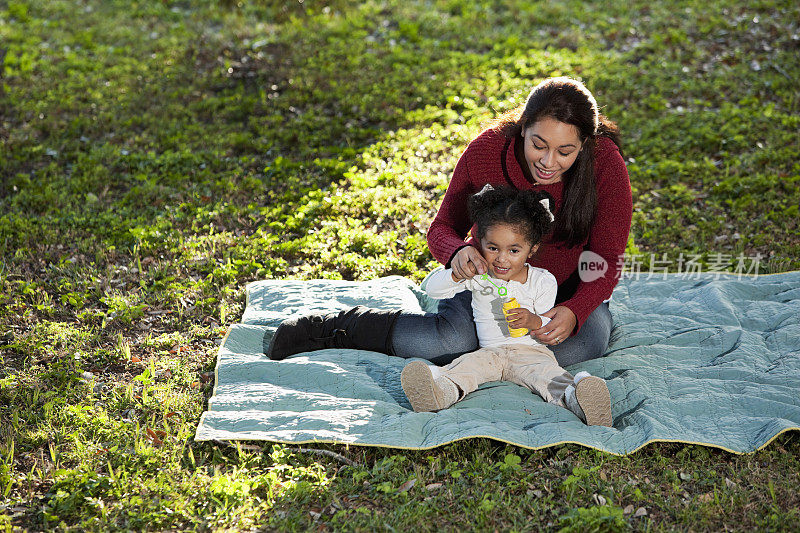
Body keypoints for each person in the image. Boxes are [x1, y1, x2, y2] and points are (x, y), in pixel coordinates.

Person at [267, 77, 632, 368]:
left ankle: (479, 360)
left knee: (574, 351)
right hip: (482, 286)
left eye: (564, 151)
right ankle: (338, 328)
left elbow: (607, 257)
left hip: (563, 294)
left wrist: (576, 309)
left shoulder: (606, 166)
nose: (548, 161)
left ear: (585, 144)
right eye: (538, 144)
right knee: (452, 343)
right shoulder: (486, 151)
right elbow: (442, 227)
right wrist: (458, 252)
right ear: (522, 128)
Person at [400, 185, 612, 426]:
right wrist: (457, 275)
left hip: (531, 353)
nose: (501, 258)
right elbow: (432, 289)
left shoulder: (542, 281)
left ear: (531, 249)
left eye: (513, 250)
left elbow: (547, 323)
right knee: (465, 368)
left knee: (550, 378)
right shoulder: (479, 276)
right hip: (489, 352)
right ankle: (437, 392)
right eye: (493, 248)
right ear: (479, 243)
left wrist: (533, 320)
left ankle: (581, 399)